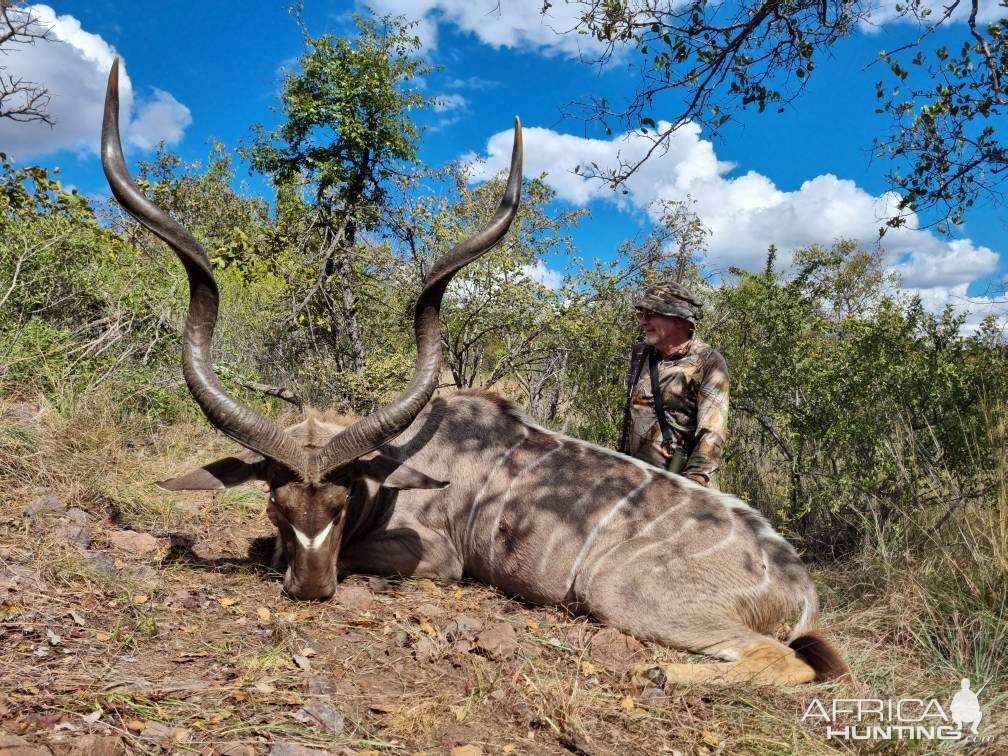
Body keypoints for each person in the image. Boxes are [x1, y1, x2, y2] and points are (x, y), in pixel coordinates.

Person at [616, 281, 729, 486]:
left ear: (679, 319)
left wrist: (691, 489)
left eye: (651, 313)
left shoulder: (709, 361)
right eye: (641, 314)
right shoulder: (641, 353)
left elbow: (711, 435)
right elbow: (631, 415)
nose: (643, 321)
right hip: (634, 480)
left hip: (679, 486)